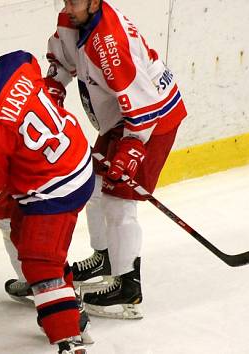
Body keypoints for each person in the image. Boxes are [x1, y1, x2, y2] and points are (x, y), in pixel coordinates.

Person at [0, 33, 94, 354]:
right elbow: (30, 61)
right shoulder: (15, 64)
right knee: (26, 235)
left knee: (39, 261)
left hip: (55, 186)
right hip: (75, 157)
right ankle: (70, 309)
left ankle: (69, 338)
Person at [41, 0, 188, 319]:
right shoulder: (72, 20)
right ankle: (106, 257)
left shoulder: (109, 43)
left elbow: (144, 105)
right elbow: (63, 62)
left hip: (153, 120)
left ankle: (127, 289)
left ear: (94, 2)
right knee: (93, 189)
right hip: (124, 118)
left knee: (120, 201)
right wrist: (53, 87)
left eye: (75, 1)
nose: (68, 6)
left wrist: (132, 148)